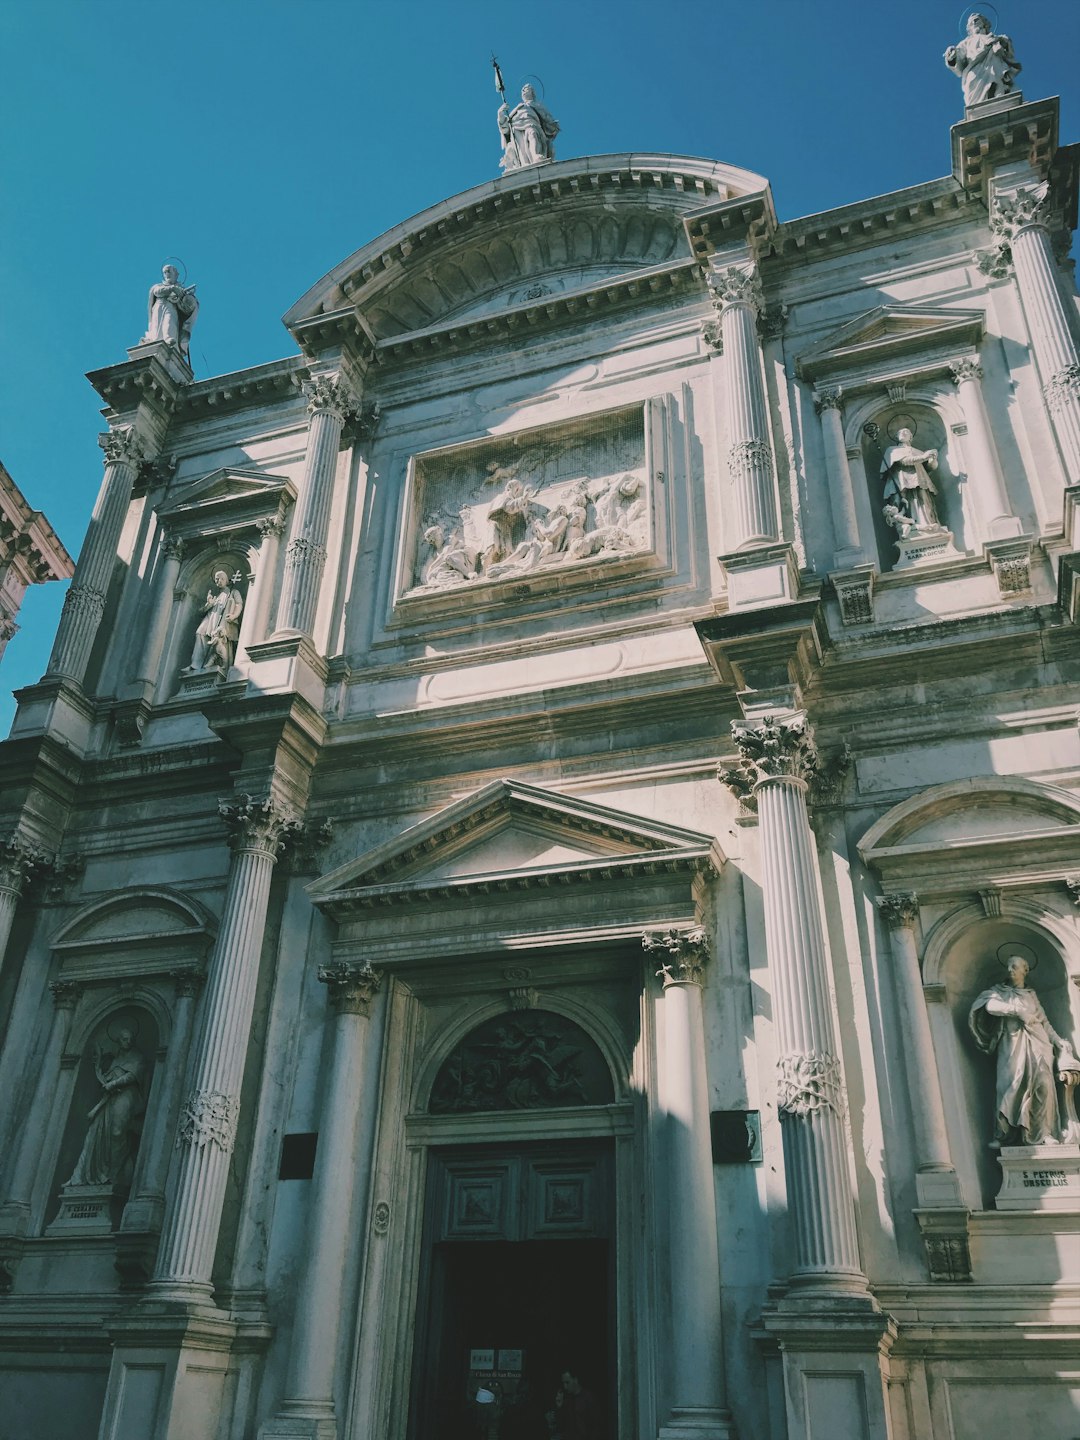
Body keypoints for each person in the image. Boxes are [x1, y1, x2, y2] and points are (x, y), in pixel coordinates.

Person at [969, 954, 1080, 1146]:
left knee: (1043, 1085)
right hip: (1011, 1045)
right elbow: (989, 1006)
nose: (1010, 970)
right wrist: (1017, 1011)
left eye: (1015, 967)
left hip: (1039, 1044)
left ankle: (1044, 1133)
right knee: (1008, 1085)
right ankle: (1003, 1134)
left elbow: (1044, 1022)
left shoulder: (1031, 995)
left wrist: (1057, 1041)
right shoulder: (998, 992)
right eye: (1009, 966)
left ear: (1025, 970)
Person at [65, 1027, 146, 1187]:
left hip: (126, 1099)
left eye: (130, 1039)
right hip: (109, 1101)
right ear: (118, 1040)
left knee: (117, 1133)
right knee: (93, 1135)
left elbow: (132, 1075)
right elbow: (106, 1081)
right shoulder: (115, 1060)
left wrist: (113, 1083)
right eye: (124, 1039)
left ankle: (113, 1174)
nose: (128, 1042)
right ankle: (83, 1176)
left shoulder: (137, 1057)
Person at [944, 14, 1021, 108]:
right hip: (975, 69)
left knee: (997, 84)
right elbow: (958, 56)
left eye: (976, 20)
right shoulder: (966, 42)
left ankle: (999, 98)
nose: (974, 22)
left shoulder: (994, 38)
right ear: (969, 28)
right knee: (973, 95)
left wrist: (1006, 43)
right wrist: (951, 56)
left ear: (984, 23)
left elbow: (1008, 55)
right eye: (971, 22)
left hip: (994, 65)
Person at [880, 427, 941, 532]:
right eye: (900, 432)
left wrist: (933, 459)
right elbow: (904, 461)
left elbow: (931, 467)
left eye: (907, 431)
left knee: (924, 501)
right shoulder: (893, 450)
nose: (903, 432)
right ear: (896, 437)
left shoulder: (918, 451)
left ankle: (928, 525)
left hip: (921, 480)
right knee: (906, 503)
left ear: (911, 437)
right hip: (902, 481)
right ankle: (912, 527)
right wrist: (924, 457)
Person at [189, 569, 244, 671]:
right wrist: (209, 604)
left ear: (227, 580)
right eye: (217, 579)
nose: (219, 581)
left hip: (223, 620)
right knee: (200, 632)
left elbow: (239, 604)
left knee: (219, 640)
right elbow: (200, 613)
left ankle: (216, 664)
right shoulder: (215, 596)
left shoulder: (233, 592)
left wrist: (234, 615)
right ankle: (196, 664)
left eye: (222, 579)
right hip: (211, 619)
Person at [142, 263, 199, 362]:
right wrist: (172, 288)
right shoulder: (158, 286)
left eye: (169, 271)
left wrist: (186, 299)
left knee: (169, 323)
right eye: (165, 272)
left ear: (176, 274)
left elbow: (186, 307)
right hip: (159, 308)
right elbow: (157, 291)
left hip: (171, 308)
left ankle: (169, 339)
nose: (166, 274)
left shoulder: (180, 289)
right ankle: (156, 340)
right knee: (157, 327)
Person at [499, 84, 560, 173]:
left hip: (532, 124)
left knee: (533, 134)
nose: (523, 91)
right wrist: (500, 113)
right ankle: (526, 163)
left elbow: (547, 118)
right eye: (522, 90)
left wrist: (553, 125)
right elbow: (505, 127)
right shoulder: (518, 107)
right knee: (522, 149)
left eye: (526, 89)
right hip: (516, 127)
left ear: (532, 92)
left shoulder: (537, 105)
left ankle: (536, 156)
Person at [547, 1369, 600, 1439]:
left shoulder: (588, 1397)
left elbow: (596, 1425)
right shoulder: (567, 1400)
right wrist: (559, 1408)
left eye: (567, 1382)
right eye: (563, 1383)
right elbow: (562, 1426)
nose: (565, 1387)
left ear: (575, 1380)